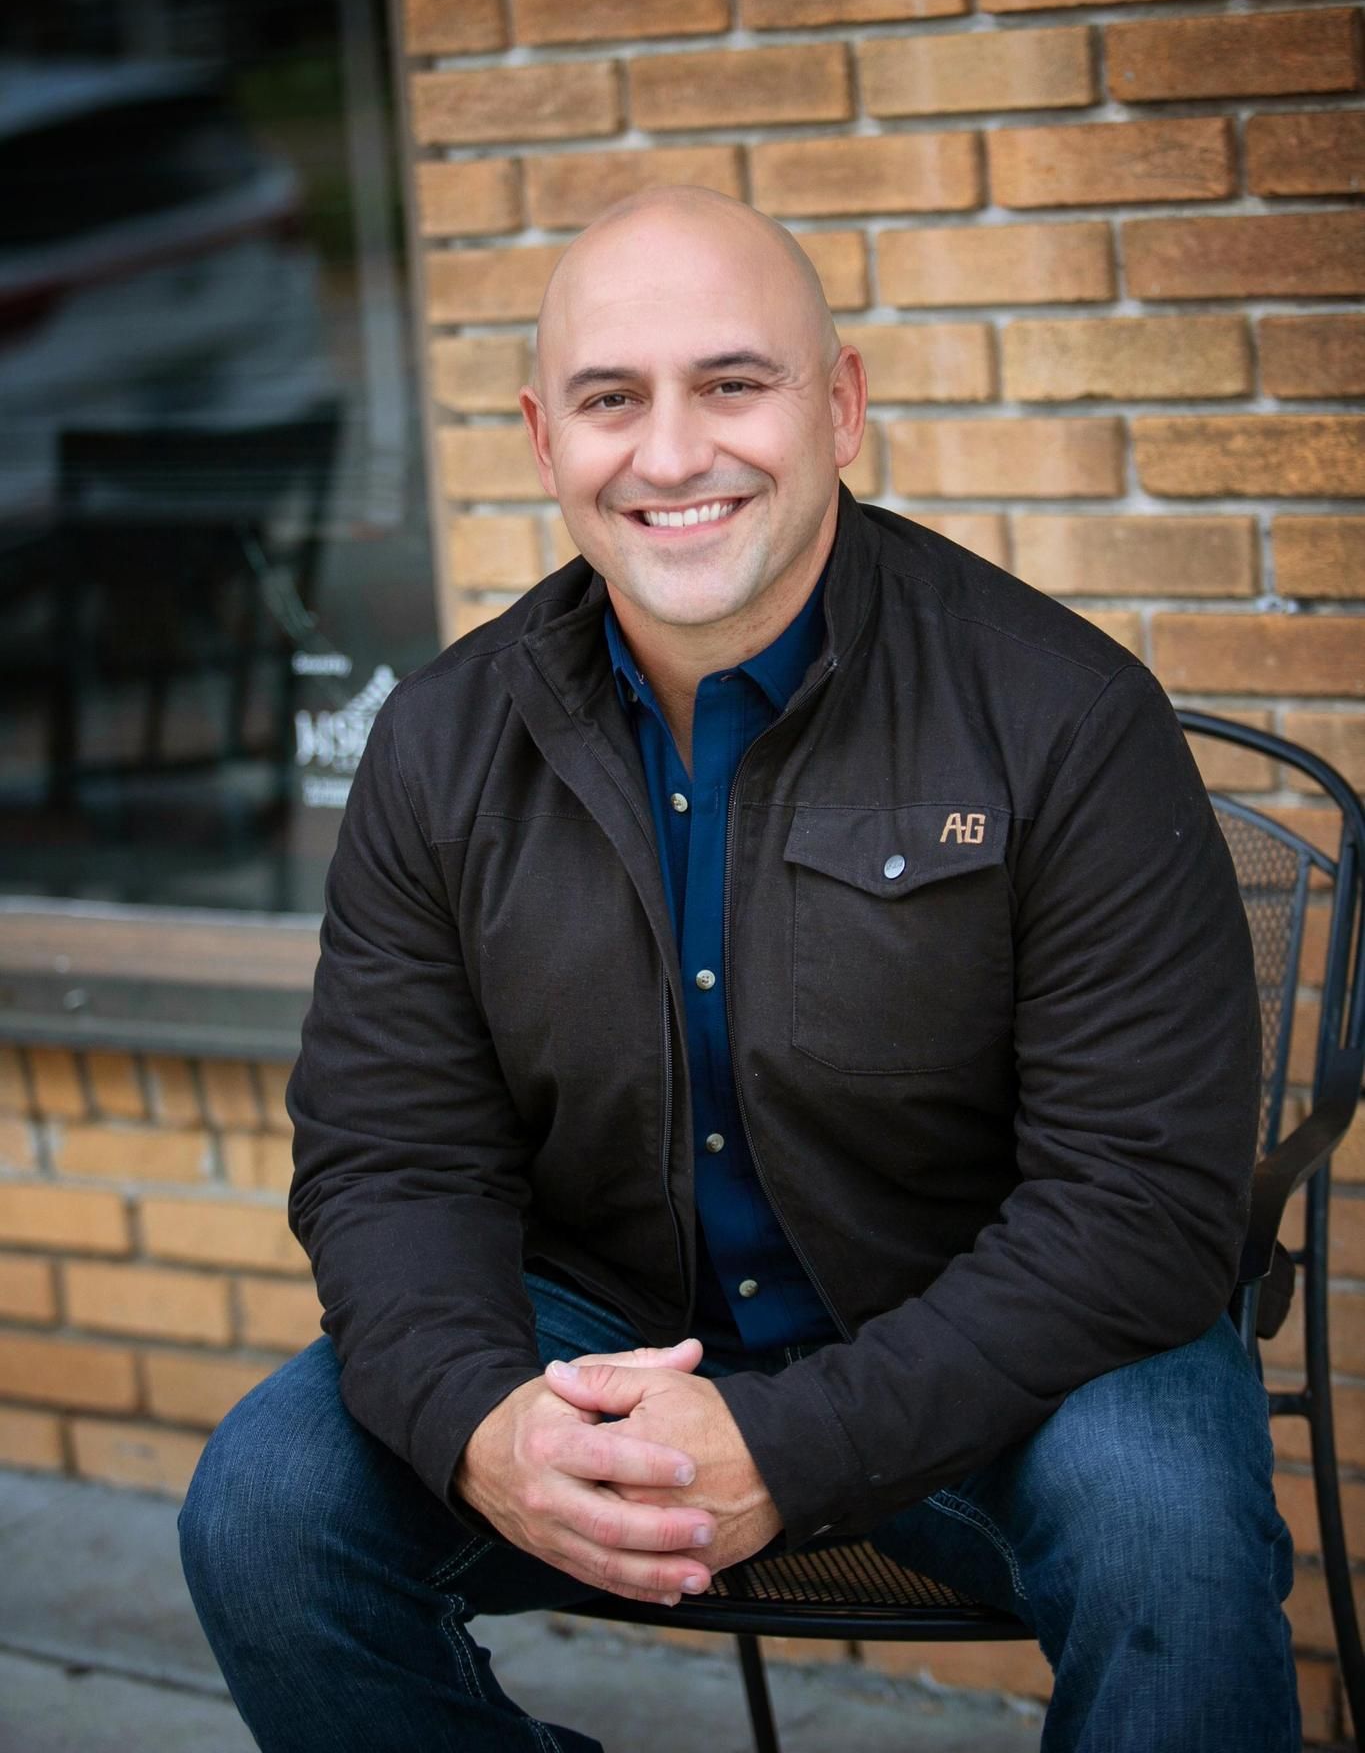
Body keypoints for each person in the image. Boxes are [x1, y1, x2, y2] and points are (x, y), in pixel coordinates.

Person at [180, 188, 1298, 1752]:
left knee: (1159, 1537)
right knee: (266, 1506)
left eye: (730, 383)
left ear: (836, 405)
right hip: (611, 1336)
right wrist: (485, 1423)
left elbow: (1139, 1211)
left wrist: (786, 1438)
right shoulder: (438, 747)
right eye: (609, 399)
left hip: (1005, 1360)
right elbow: (391, 1157)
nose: (669, 453)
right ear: (539, 437)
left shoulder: (1061, 715)